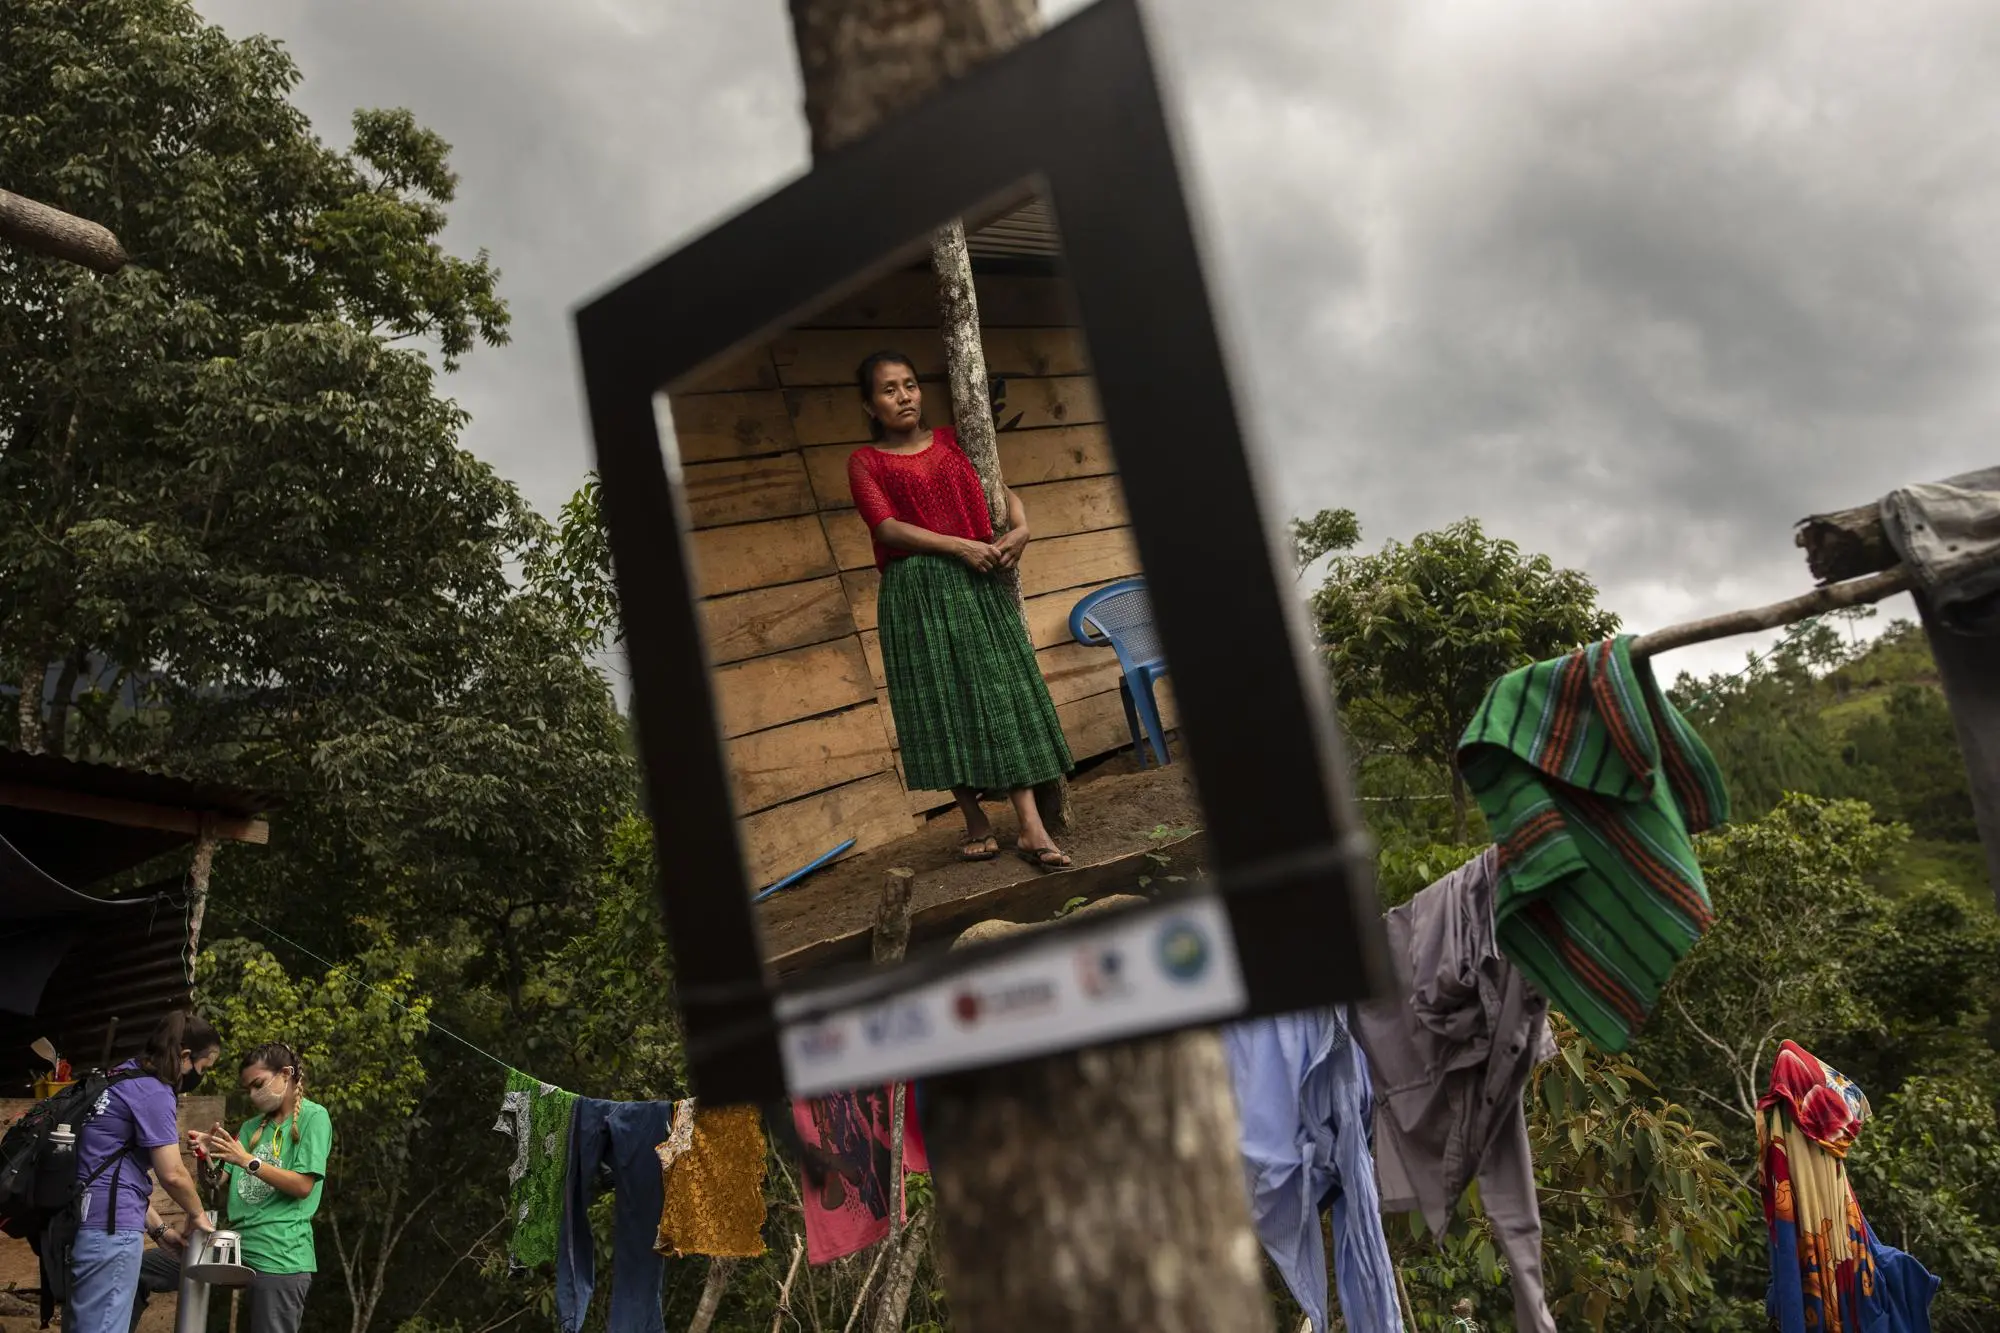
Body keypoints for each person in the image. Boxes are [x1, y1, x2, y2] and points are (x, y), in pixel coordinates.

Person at [845, 351, 1075, 869]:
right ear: (869, 403)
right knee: (935, 700)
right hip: (915, 590)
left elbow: (1002, 489)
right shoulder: (866, 462)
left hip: (977, 584)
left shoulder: (954, 440)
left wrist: (1022, 527)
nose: (903, 396)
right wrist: (958, 546)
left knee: (996, 692)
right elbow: (885, 528)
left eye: (909, 385)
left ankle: (1031, 827)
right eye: (888, 389)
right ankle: (973, 820)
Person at [132, 1042, 332, 1333]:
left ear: (286, 1074)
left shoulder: (314, 1118)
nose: (253, 1095)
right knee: (139, 1268)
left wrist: (248, 1161)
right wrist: (205, 1156)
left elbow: (303, 1186)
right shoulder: (252, 1127)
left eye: (258, 1084)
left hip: (281, 1255)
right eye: (248, 1088)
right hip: (234, 1246)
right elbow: (216, 1183)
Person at [66, 1010, 219, 1333]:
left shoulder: (118, 1078)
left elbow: (114, 1173)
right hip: (111, 1233)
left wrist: (160, 1231)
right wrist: (197, 1214)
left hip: (86, 1224)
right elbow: (173, 1174)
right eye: (203, 1068)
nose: (199, 1077)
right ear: (186, 1056)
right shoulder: (153, 1091)